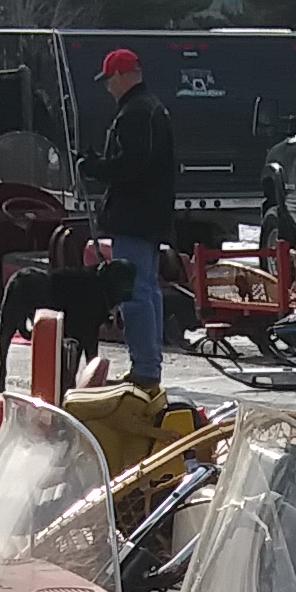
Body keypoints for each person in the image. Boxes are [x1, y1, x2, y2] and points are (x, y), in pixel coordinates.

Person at [90, 44, 178, 394]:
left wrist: (96, 167)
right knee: (149, 291)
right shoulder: (153, 108)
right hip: (152, 216)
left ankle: (144, 369)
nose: (107, 87)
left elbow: (131, 166)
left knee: (135, 292)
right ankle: (149, 364)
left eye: (109, 80)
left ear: (122, 77)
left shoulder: (134, 114)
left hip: (135, 217)